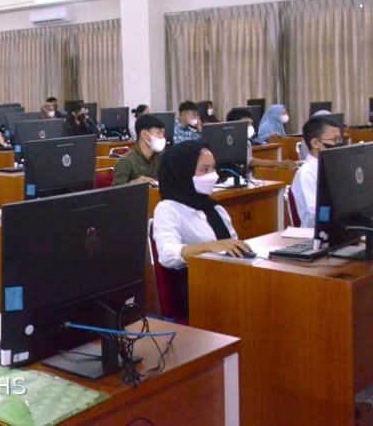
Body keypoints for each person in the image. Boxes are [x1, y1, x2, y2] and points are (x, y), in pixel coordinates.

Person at [152, 142, 252, 316]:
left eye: (213, 169)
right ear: (183, 173)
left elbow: (233, 246)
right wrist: (208, 247)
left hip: (227, 283)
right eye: (204, 170)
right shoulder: (168, 208)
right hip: (197, 293)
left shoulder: (215, 208)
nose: (212, 176)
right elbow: (167, 255)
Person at [291, 115, 342, 227]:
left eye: (340, 139)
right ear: (315, 143)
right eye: (334, 140)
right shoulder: (306, 174)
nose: (339, 144)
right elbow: (315, 215)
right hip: (316, 234)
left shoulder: (337, 167)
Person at [226, 108, 298, 172]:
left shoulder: (247, 143)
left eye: (251, 124)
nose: (250, 127)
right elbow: (249, 162)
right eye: (246, 124)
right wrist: (278, 163)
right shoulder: (226, 144)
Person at [112, 114, 166, 186]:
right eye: (158, 133)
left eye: (163, 133)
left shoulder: (162, 156)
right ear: (144, 134)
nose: (162, 137)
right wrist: (133, 183)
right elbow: (116, 192)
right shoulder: (126, 161)